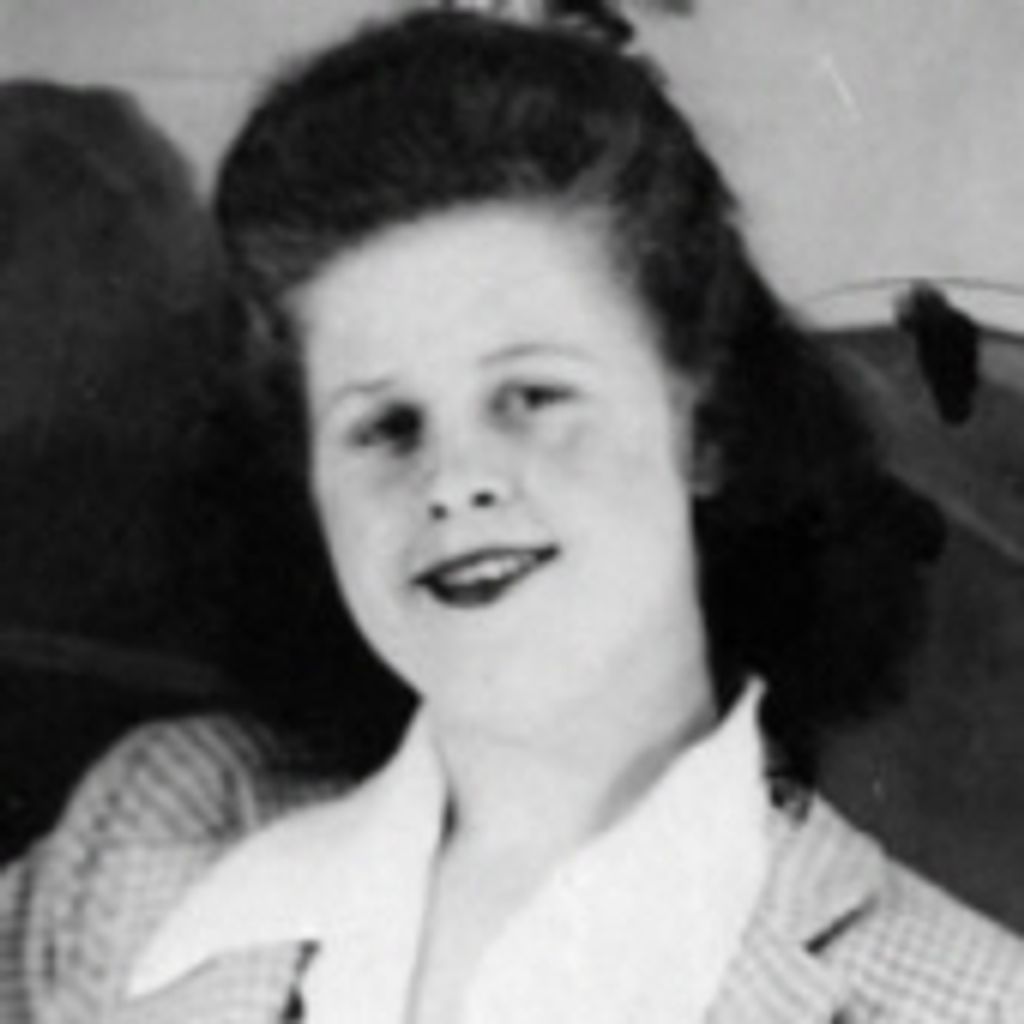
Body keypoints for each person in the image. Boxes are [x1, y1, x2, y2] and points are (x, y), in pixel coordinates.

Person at [3, 7, 1023, 1023]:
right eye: (383, 426)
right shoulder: (156, 834)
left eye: (531, 397)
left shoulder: (958, 1004)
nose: (454, 480)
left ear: (707, 425)